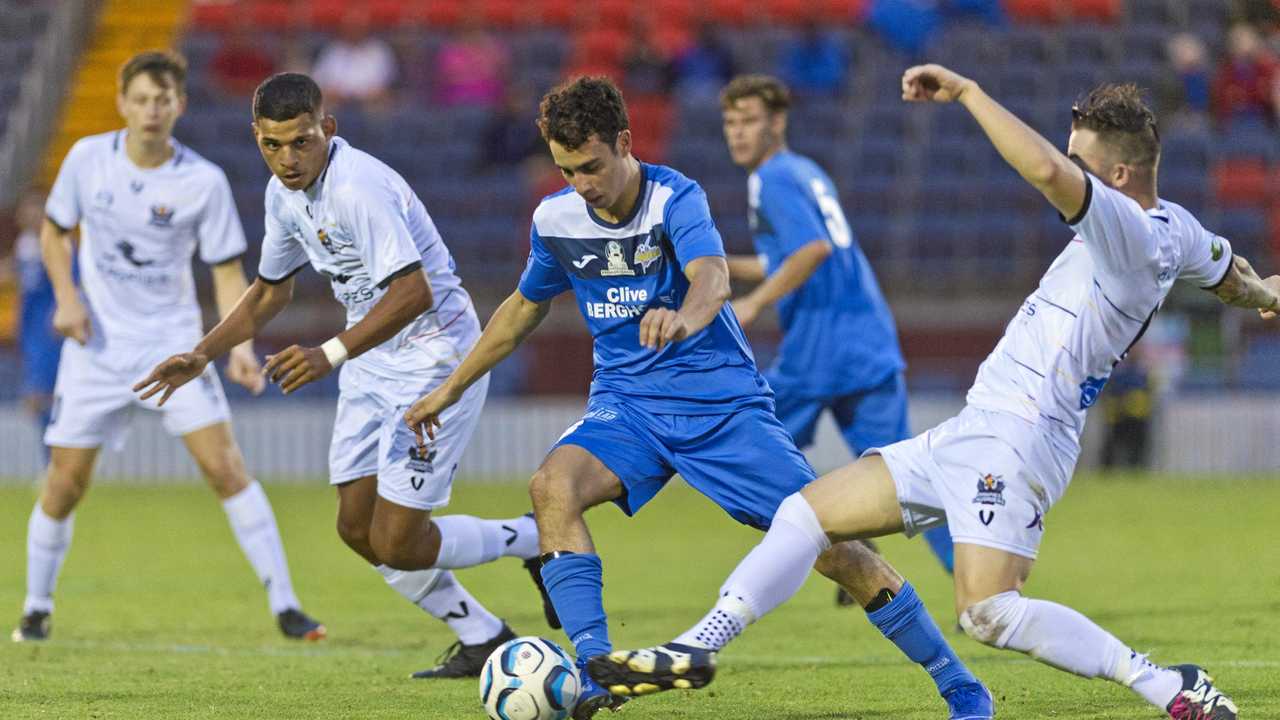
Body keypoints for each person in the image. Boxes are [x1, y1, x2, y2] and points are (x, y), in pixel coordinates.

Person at [593, 64, 1277, 720]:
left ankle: (1164, 682)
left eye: (1084, 162)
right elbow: (1226, 271)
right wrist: (1266, 293)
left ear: (1120, 176)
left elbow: (1042, 170)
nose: (1071, 169)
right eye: (1073, 158)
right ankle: (694, 647)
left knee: (990, 612)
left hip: (1020, 439)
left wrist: (968, 92)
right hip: (979, 426)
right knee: (805, 513)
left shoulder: (1127, 232)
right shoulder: (1177, 227)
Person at [403, 76, 992, 720]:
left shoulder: (675, 196)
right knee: (552, 486)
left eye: (593, 167)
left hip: (723, 410)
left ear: (625, 143)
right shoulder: (556, 218)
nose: (582, 184)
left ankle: (958, 682)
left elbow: (709, 278)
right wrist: (450, 388)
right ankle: (599, 672)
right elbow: (522, 309)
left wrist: (684, 318)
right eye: (566, 170)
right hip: (627, 407)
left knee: (835, 549)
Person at [134, 72, 555, 679]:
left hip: (434, 358)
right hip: (370, 358)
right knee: (357, 528)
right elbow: (269, 293)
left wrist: (328, 354)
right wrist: (203, 352)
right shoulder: (283, 196)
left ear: (327, 128)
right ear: (257, 138)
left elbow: (414, 292)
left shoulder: (359, 186)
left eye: (301, 142)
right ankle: (482, 635)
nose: (288, 158)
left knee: (399, 542)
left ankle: (534, 539)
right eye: (273, 145)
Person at [12, 51, 323, 644]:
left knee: (226, 468)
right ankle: (36, 606)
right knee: (64, 482)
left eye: (163, 99)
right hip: (97, 350)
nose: (152, 110)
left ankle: (287, 606)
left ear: (179, 104)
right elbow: (54, 233)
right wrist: (66, 297)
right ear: (123, 103)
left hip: (175, 349)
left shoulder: (201, 181)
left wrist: (238, 343)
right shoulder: (86, 161)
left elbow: (228, 270)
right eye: (142, 99)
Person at [720, 74, 956, 583]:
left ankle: (840, 543)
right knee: (909, 482)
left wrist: (753, 303)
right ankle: (980, 580)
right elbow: (790, 257)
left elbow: (812, 250)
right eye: (730, 123)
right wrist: (724, 266)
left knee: (744, 442)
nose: (737, 133)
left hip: (818, 349)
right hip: (867, 341)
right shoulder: (805, 171)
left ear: (777, 122)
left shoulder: (772, 179)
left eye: (749, 121)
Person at [13, 190, 63, 464]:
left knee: (44, 395)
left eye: (37, 209)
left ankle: (55, 464)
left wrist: (64, 306)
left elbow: (76, 277)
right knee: (37, 398)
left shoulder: (58, 242)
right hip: (29, 328)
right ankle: (51, 463)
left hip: (48, 329)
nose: (30, 215)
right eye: (27, 210)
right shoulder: (25, 244)